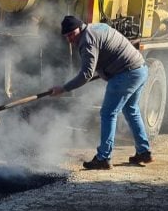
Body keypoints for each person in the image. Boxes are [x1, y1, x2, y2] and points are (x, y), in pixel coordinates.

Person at [50, 15, 152, 170]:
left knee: (108, 113)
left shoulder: (87, 41)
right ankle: (144, 152)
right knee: (131, 110)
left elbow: (86, 74)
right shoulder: (96, 27)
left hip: (126, 73)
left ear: (80, 27)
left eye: (71, 34)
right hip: (140, 69)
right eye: (66, 36)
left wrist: (64, 88)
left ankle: (103, 158)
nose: (70, 39)